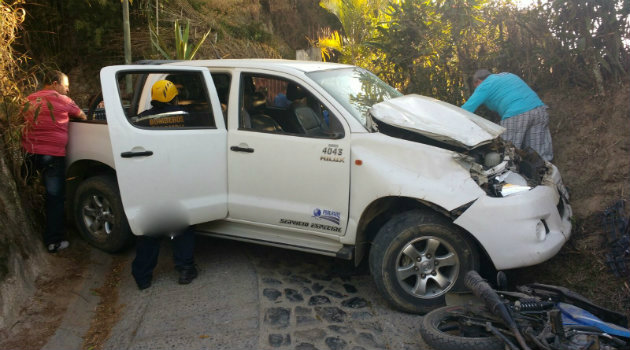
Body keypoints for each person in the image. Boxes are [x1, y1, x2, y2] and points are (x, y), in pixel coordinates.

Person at [131, 79, 198, 290]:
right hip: (178, 178)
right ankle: (185, 269)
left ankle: (142, 277)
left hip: (151, 180)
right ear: (174, 98)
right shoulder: (186, 118)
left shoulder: (139, 120)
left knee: (151, 227)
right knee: (182, 225)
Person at [22, 70, 87, 253]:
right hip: (53, 156)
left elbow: (20, 120)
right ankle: (54, 241)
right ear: (53, 83)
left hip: (30, 153)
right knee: (55, 199)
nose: (67, 90)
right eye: (65, 86)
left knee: (26, 189)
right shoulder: (62, 100)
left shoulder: (29, 99)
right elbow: (82, 116)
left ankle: (33, 226)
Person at [461, 69, 553, 161]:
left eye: (476, 87)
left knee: (506, 153)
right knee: (538, 154)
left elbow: (466, 109)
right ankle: (546, 173)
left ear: (478, 81)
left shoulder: (485, 85)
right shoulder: (508, 75)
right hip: (539, 111)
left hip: (517, 114)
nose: (476, 89)